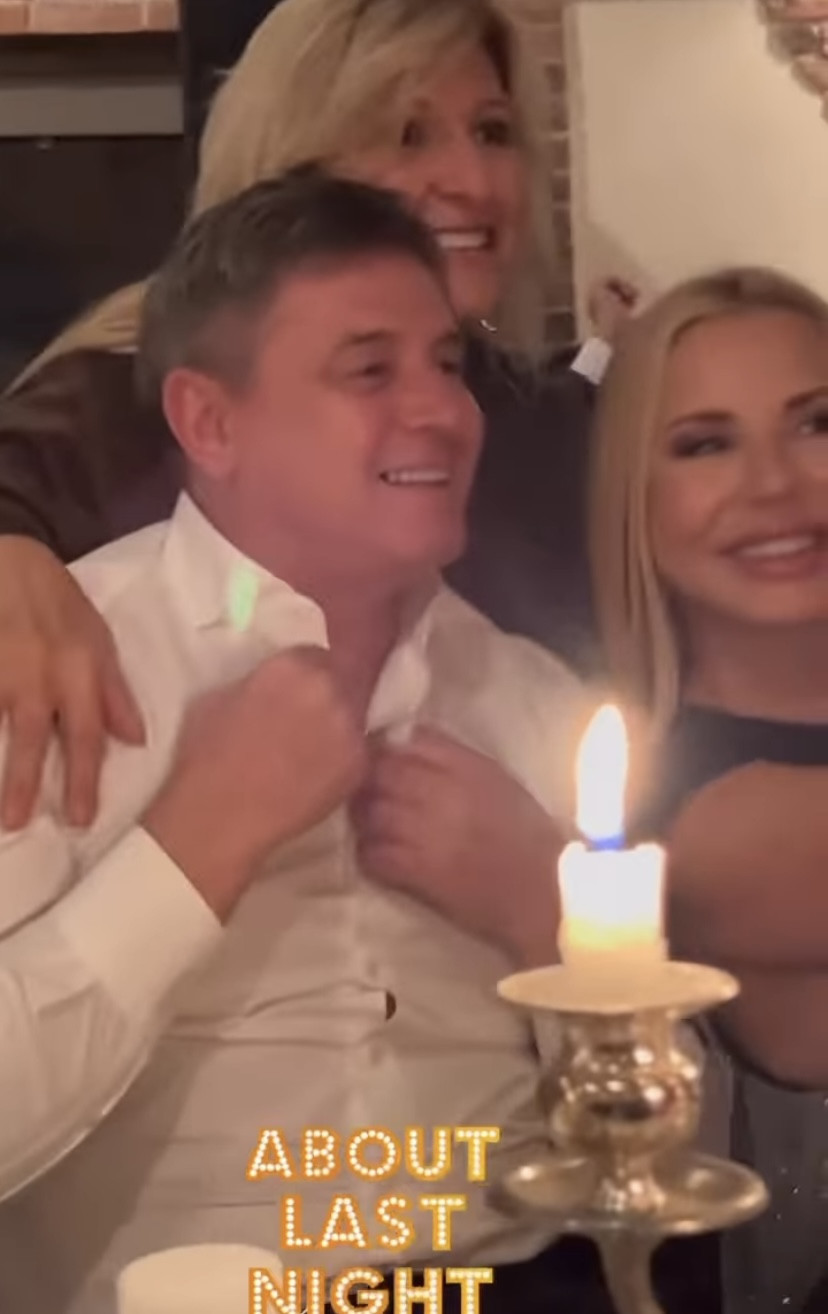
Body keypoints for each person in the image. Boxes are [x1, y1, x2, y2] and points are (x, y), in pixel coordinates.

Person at [0, 169, 593, 1314]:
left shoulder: (530, 696)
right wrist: (189, 850)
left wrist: (548, 915)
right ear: (209, 422)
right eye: (370, 369)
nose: (442, 410)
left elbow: (661, 1145)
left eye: (447, 364)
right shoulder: (51, 668)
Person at [0, 0, 637, 835]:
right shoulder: (119, 398)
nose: (474, 182)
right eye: (409, 135)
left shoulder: (547, 423)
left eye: (492, 132)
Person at [588, 267, 828, 1314]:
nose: (774, 486)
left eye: (816, 424)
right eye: (704, 445)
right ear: (634, 502)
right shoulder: (698, 820)